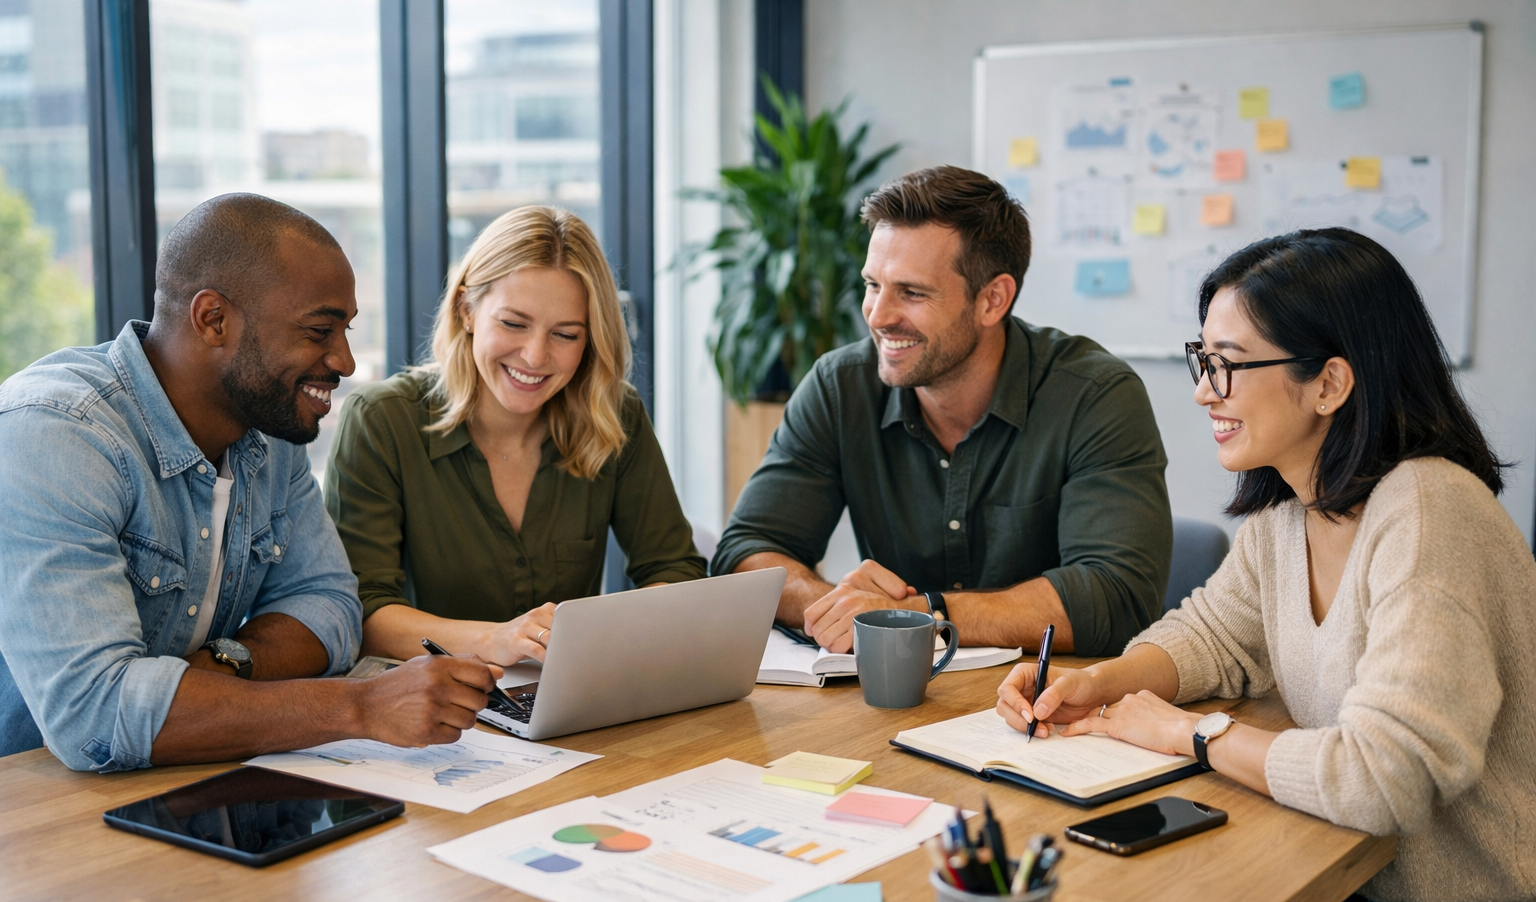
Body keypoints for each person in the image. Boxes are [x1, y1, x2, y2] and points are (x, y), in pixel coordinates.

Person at [996, 228, 1536, 902]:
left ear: (1330, 383)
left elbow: (1381, 780)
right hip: (1372, 884)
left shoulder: (1429, 512)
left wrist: (1190, 734)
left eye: (1228, 364)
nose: (1203, 391)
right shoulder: (1290, 516)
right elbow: (1212, 637)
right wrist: (1100, 684)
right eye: (1201, 358)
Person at [0, 194, 501, 769]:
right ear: (213, 319)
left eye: (346, 330)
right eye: (319, 330)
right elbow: (95, 717)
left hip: (189, 779)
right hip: (37, 806)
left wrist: (222, 670)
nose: (344, 360)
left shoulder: (269, 428)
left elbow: (330, 605)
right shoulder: (57, 433)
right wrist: (361, 708)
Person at [713, 165, 1172, 656]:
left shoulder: (1095, 395)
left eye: (911, 293)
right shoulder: (839, 386)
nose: (879, 315)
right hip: (895, 697)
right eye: (873, 285)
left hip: (1050, 707)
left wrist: (916, 618)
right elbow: (745, 553)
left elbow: (1116, 598)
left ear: (992, 300)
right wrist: (841, 610)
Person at [324, 206, 703, 665]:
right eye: (513, 323)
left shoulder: (614, 415)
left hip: (568, 699)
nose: (535, 355)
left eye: (565, 334)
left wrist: (605, 633)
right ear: (467, 310)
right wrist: (494, 641)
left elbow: (675, 571)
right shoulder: (381, 421)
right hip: (423, 710)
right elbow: (360, 613)